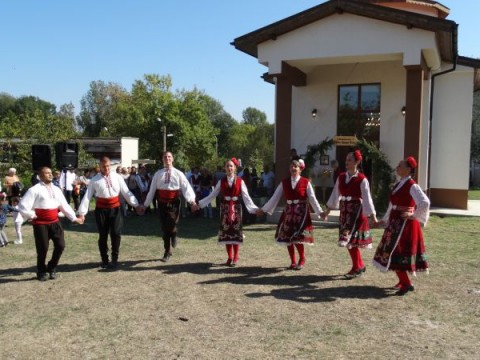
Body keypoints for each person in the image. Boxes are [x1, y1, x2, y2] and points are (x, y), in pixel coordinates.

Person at [372, 156, 430, 296]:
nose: (397, 168)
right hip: (394, 222)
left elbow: (425, 202)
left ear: (408, 169)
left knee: (396, 252)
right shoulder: (399, 184)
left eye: (400, 166)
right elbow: (392, 205)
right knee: (391, 252)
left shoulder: (412, 185)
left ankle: (407, 283)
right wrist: (384, 220)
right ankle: (402, 280)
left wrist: (413, 215)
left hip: (404, 225)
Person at [18, 167, 83, 281]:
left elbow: (64, 205)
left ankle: (52, 267)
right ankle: (41, 271)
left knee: (60, 245)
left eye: (50, 173)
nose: (50, 175)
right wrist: (31, 215)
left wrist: (74, 218)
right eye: (47, 173)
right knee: (42, 248)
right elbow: (23, 206)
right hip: (41, 224)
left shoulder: (57, 189)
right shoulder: (34, 190)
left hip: (55, 222)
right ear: (40, 176)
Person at [77, 157, 143, 269]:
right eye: (104, 166)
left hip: (115, 208)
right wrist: (82, 212)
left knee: (116, 233)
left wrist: (136, 205)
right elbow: (87, 196)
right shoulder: (95, 180)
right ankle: (104, 260)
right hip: (101, 210)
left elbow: (126, 192)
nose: (106, 168)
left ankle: (115, 259)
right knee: (103, 235)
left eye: (108, 166)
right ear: (100, 166)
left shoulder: (117, 177)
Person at [321, 150, 377, 279]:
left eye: (350, 160)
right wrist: (327, 211)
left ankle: (356, 267)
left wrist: (373, 217)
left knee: (350, 240)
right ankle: (359, 265)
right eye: (346, 159)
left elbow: (367, 198)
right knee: (349, 241)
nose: (346, 162)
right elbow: (335, 195)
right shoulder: (341, 177)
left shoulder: (362, 179)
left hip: (357, 213)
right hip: (345, 212)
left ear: (357, 162)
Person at [259, 159, 322, 270]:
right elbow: (275, 197)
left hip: (301, 214)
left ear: (300, 169)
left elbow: (312, 199)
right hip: (288, 213)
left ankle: (302, 259)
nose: (293, 169)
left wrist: (319, 212)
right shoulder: (284, 183)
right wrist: (264, 209)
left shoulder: (305, 182)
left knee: (297, 237)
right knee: (288, 238)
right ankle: (293, 261)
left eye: (295, 167)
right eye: (291, 167)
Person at [198, 158, 260, 267]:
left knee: (235, 231)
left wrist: (255, 209)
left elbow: (246, 197)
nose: (229, 168)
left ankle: (236, 256)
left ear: (235, 168)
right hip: (225, 209)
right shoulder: (221, 181)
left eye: (231, 166)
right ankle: (229, 257)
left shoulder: (240, 181)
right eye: (227, 166)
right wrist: (199, 204)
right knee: (226, 232)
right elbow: (212, 195)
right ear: (225, 168)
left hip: (236, 208)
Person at [143, 151, 198, 262]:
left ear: (172, 159)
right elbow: (152, 190)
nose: (167, 159)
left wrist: (192, 201)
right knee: (164, 229)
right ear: (162, 159)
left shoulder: (178, 173)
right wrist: (145, 205)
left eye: (169, 157)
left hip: (174, 203)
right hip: (162, 203)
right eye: (165, 157)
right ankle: (167, 252)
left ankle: (174, 233)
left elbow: (186, 188)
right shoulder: (158, 174)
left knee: (171, 224)